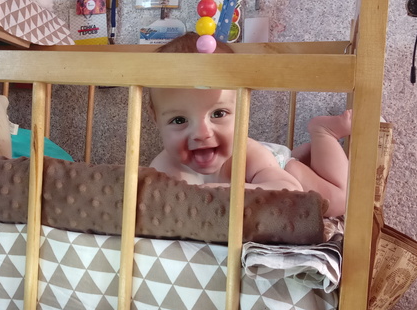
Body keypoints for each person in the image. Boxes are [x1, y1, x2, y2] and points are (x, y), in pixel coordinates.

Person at [148, 32, 351, 217]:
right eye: (179, 120)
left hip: (279, 166)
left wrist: (212, 193)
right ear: (156, 119)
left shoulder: (248, 153)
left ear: (242, 109)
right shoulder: (164, 168)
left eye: (218, 114)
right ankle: (306, 153)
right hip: (266, 166)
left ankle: (323, 132)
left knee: (338, 202)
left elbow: (289, 190)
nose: (201, 133)